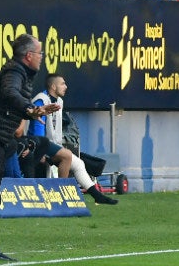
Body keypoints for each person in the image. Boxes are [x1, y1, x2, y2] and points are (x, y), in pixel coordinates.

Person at [0, 34, 61, 262]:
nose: (42, 58)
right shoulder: (14, 72)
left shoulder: (20, 73)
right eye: (40, 53)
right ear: (29, 56)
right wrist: (29, 109)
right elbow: (10, 93)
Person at [27, 73, 119, 205]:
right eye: (62, 84)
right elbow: (38, 128)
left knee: (79, 164)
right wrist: (41, 150)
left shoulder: (59, 101)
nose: (66, 86)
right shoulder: (41, 100)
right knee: (67, 157)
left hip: (52, 146)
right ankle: (60, 196)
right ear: (53, 86)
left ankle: (97, 195)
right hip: (38, 145)